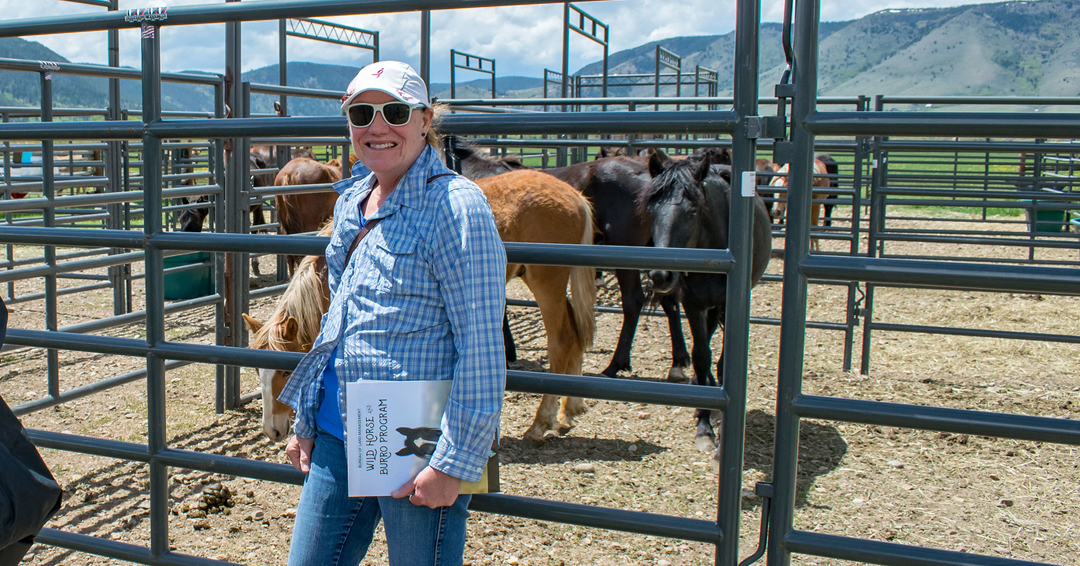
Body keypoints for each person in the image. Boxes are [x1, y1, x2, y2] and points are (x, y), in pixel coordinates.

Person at [279, 61, 507, 566]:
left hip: (417, 435)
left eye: (395, 111)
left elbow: (482, 345)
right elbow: (339, 323)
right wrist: (308, 417)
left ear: (425, 120)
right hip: (342, 427)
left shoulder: (456, 206)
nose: (377, 127)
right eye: (362, 113)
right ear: (349, 124)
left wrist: (454, 462)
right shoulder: (352, 202)